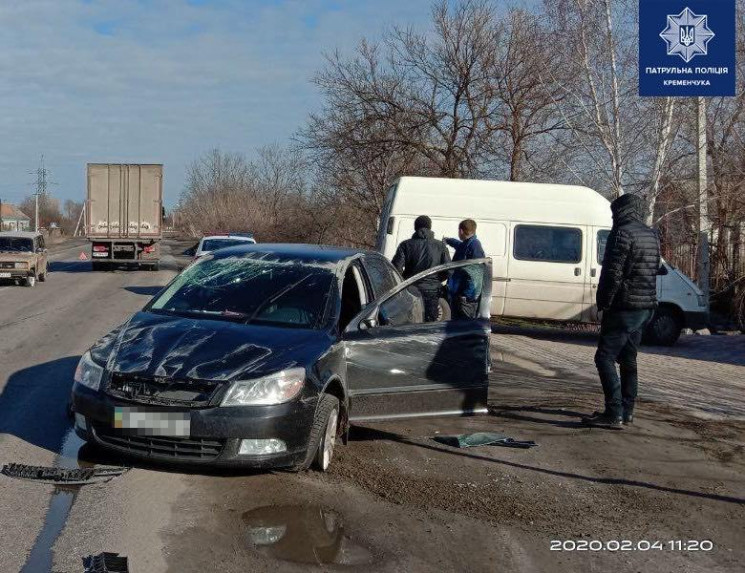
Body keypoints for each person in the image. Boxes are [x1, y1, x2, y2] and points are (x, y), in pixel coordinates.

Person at [583, 194, 660, 429]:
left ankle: (613, 412)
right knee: (628, 358)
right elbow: (654, 269)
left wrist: (603, 302)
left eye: (614, 212)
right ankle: (627, 411)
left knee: (604, 357)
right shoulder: (651, 234)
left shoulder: (622, 233)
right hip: (645, 307)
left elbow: (612, 273)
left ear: (621, 211)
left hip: (624, 306)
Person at [391, 215, 451, 322]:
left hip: (410, 289)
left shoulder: (406, 245)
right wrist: (437, 279)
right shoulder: (440, 246)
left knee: (411, 322)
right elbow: (449, 269)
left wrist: (403, 282)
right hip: (432, 290)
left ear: (415, 228)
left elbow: (396, 269)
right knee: (430, 324)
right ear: (430, 227)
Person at [444, 219, 485, 320]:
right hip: (458, 292)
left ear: (461, 231)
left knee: (463, 324)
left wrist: (466, 296)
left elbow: (475, 275)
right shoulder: (468, 243)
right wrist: (449, 241)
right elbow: (459, 245)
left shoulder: (474, 246)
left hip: (465, 298)